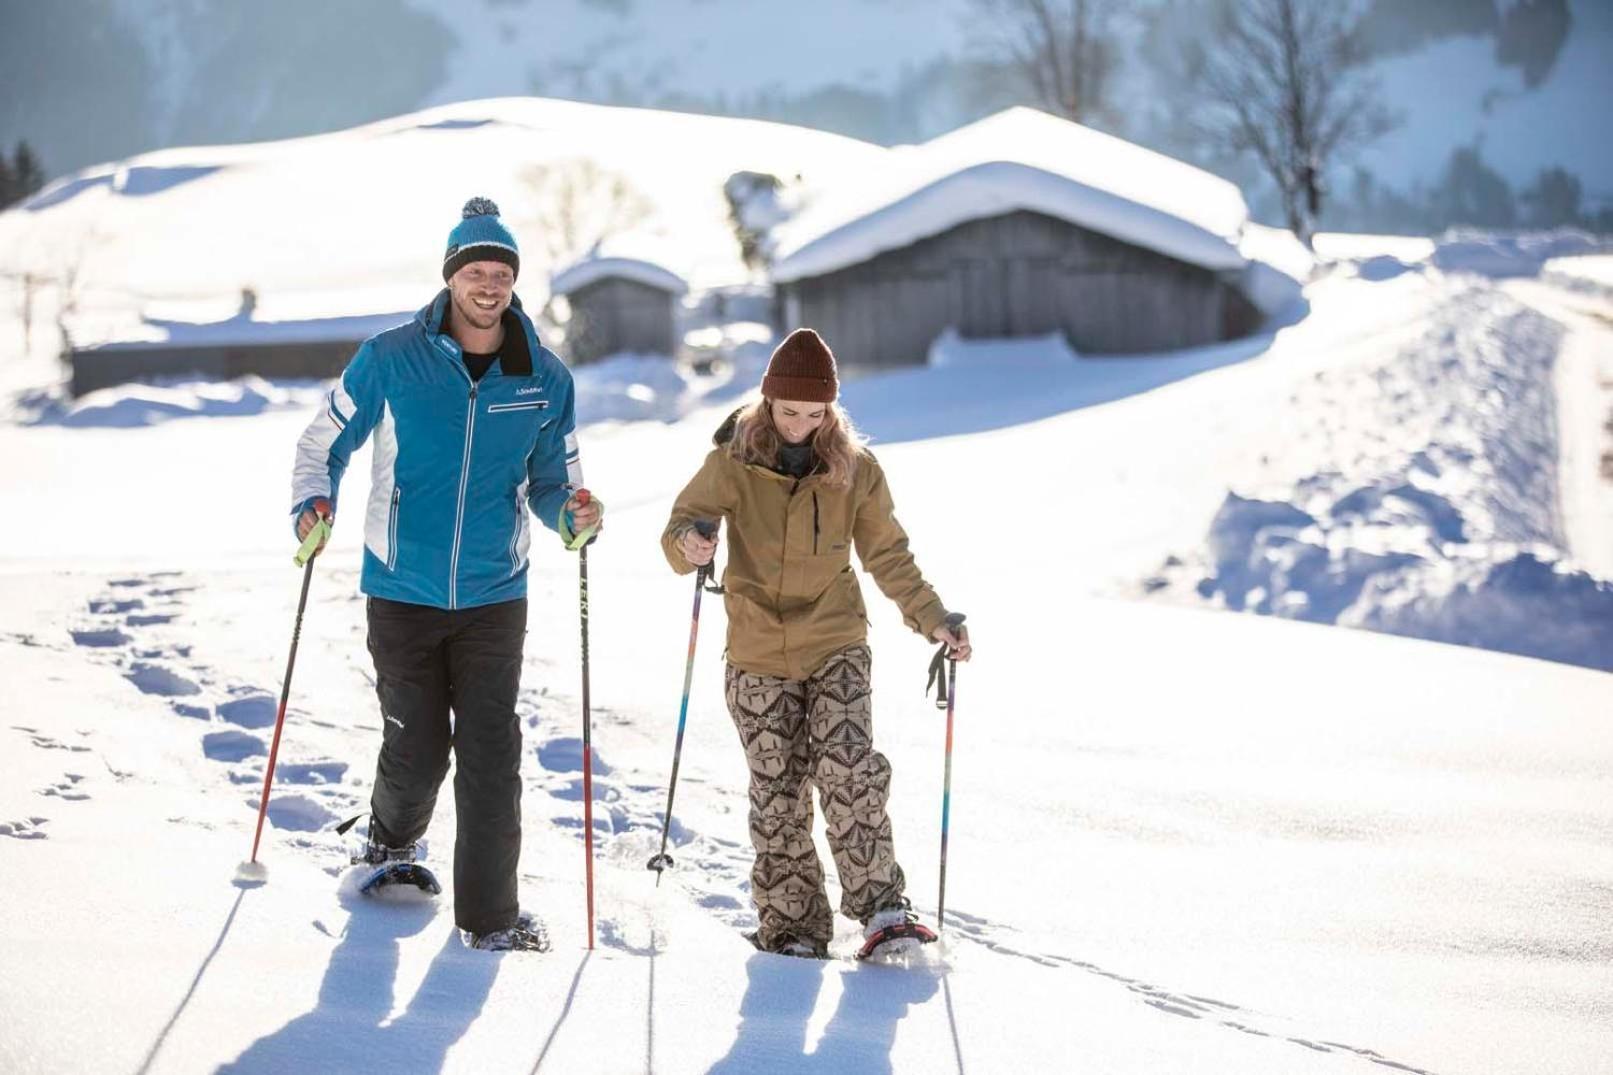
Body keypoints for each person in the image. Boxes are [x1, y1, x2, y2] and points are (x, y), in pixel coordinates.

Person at [289, 197, 603, 952]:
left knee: (493, 752)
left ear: (514, 283)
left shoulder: (544, 377)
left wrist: (573, 516)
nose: (487, 285)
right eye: (474, 271)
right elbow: (321, 440)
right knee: (419, 741)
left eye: (500, 273)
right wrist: (312, 500)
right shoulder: (390, 357)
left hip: (497, 592)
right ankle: (390, 844)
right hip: (401, 586)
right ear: (452, 278)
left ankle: (491, 918)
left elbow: (556, 479)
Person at [660, 327, 971, 959]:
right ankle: (794, 928)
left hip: (835, 640)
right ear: (767, 402)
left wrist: (933, 617)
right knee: (778, 793)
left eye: (815, 412)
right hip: (756, 650)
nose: (801, 424)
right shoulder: (733, 459)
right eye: (789, 410)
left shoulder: (855, 467)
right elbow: (680, 525)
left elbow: (888, 555)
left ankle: (882, 907)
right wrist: (690, 543)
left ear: (831, 409)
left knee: (849, 768)